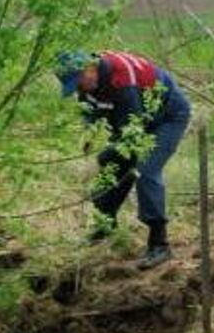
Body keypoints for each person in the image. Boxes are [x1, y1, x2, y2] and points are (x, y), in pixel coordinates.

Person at [55, 50, 191, 268]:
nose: (79, 88)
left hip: (167, 117)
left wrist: (100, 159)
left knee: (144, 171)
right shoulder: (89, 82)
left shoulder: (123, 81)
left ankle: (159, 244)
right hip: (137, 120)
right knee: (109, 173)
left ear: (89, 68)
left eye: (79, 81)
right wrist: (88, 138)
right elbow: (91, 110)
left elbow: (133, 137)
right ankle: (104, 227)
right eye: (74, 86)